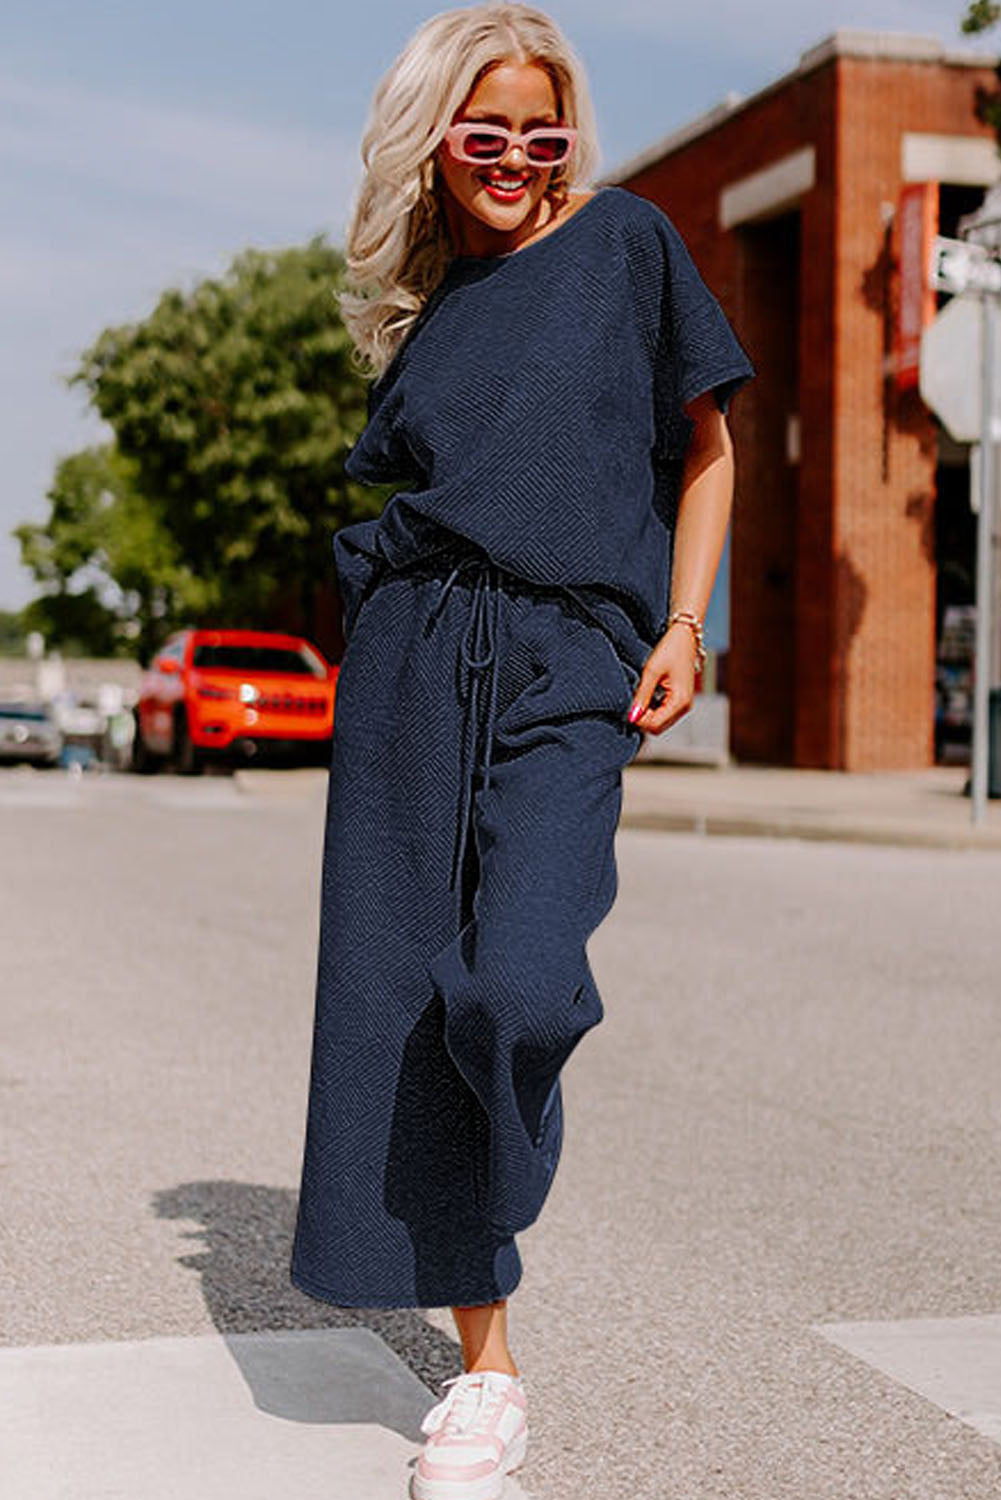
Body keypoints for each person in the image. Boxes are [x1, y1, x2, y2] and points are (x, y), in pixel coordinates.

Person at [289, 5, 756, 1496]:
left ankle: (497, 1171)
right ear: (433, 144)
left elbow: (710, 443)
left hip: (574, 657)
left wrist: (685, 625)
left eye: (538, 135)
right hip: (415, 659)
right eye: (480, 135)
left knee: (513, 984)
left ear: (571, 142)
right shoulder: (430, 316)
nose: (510, 161)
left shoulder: (625, 245)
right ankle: (486, 1368)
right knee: (400, 1001)